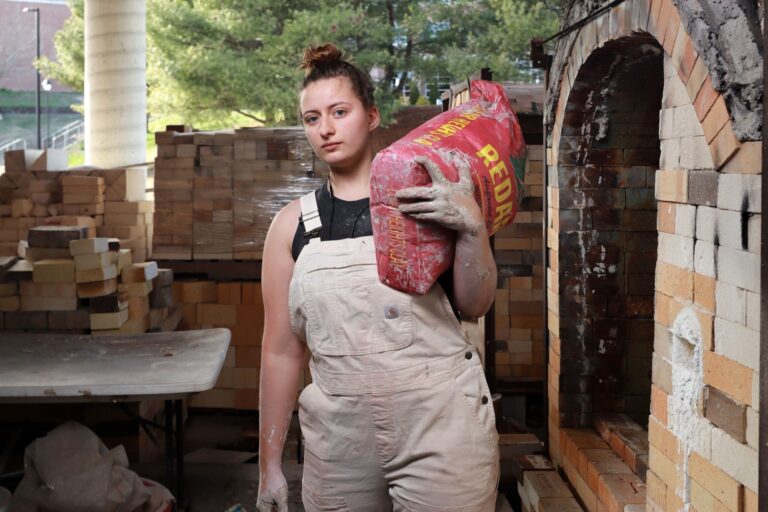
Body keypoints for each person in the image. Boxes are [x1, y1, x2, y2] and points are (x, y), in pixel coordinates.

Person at [257, 43, 499, 512]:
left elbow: (475, 304)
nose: (325, 128)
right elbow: (280, 350)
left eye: (339, 111)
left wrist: (472, 230)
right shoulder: (292, 225)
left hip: (441, 428)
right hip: (339, 442)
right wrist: (270, 463)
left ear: (371, 116)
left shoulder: (425, 200)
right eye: (312, 118)